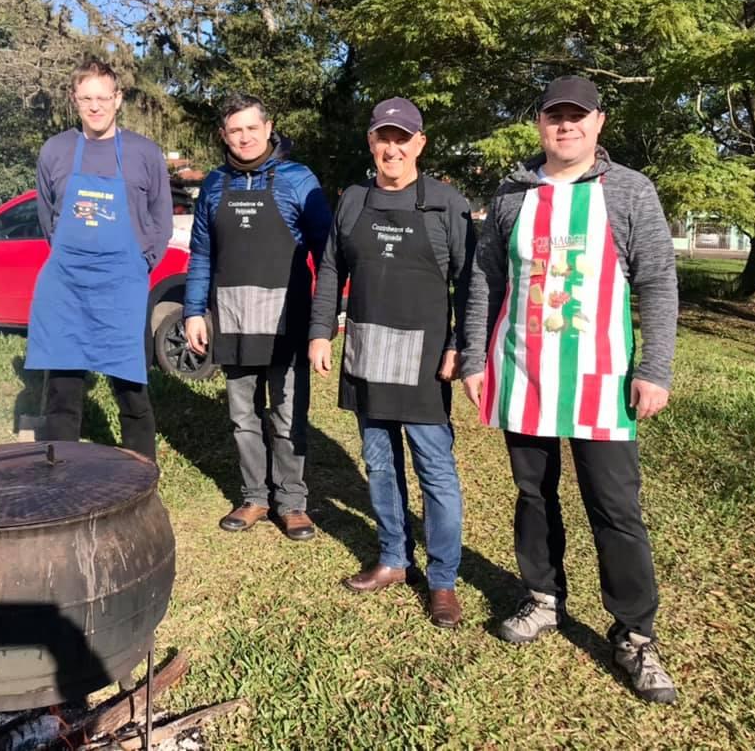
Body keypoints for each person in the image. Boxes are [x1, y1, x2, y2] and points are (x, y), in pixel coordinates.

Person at [461, 75, 679, 703]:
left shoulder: (630, 192)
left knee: (616, 508)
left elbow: (659, 283)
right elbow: (485, 280)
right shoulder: (509, 194)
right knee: (533, 495)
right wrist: (474, 359)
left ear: (598, 125)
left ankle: (635, 633)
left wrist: (654, 369)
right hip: (524, 372)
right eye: (554, 117)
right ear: (540, 126)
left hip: (602, 379)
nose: (566, 127)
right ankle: (543, 597)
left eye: (577, 117)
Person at [308, 97, 475, 628]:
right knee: (379, 464)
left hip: (425, 362)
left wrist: (460, 344)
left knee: (435, 471)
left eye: (403, 139)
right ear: (371, 143)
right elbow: (331, 268)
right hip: (367, 352)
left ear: (420, 144)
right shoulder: (353, 200)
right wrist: (320, 331)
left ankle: (444, 580)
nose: (392, 148)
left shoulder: (447, 205)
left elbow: (472, 285)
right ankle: (394, 559)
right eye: (384, 138)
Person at [184, 94, 331, 541]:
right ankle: (254, 497)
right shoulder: (212, 185)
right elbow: (201, 254)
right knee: (243, 415)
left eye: (252, 127)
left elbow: (329, 254)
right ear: (224, 136)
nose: (244, 137)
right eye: (235, 130)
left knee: (287, 417)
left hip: (287, 319)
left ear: (269, 128)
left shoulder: (298, 179)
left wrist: (325, 320)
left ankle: (292, 502)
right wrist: (193, 311)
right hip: (231, 317)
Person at [25, 58, 172, 463]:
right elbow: (48, 218)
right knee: (63, 389)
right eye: (86, 98)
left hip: (121, 287)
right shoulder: (56, 150)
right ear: (75, 100)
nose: (95, 107)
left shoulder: (144, 152)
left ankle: (141, 477)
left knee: (132, 389)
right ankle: (61, 481)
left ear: (118, 99)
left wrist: (143, 262)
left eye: (102, 98)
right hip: (67, 288)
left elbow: (161, 218)